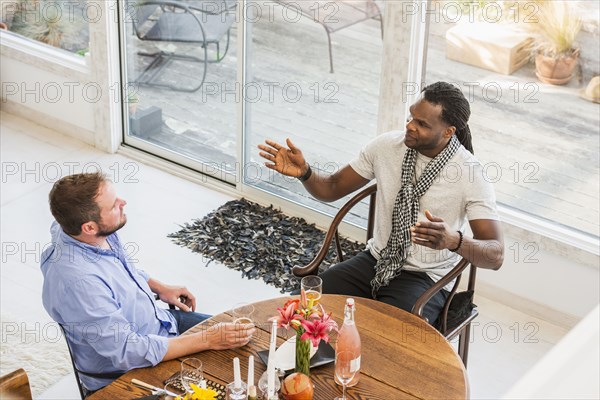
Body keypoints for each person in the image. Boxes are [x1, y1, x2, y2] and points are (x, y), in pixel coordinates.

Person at [258, 81, 504, 324]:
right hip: (376, 260)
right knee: (300, 314)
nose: (410, 126)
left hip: (425, 277)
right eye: (411, 117)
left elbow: (495, 256)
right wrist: (305, 173)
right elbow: (332, 188)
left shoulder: (470, 174)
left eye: (422, 124)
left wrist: (454, 241)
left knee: (386, 342)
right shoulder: (387, 147)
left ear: (448, 132)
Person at [41, 172, 255, 392]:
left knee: (248, 341)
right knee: (231, 378)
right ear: (89, 228)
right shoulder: (81, 283)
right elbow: (128, 352)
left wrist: (159, 287)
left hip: (160, 323)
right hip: (128, 370)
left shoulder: (73, 229)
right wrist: (208, 340)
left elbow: (118, 266)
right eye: (114, 206)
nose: (123, 203)